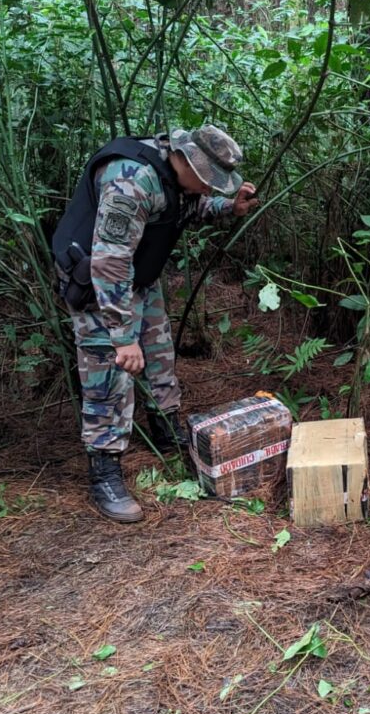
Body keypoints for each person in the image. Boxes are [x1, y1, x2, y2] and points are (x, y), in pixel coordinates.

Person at [52, 126, 259, 523]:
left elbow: (185, 207)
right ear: (185, 159)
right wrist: (121, 336)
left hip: (139, 279)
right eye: (207, 182)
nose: (208, 189)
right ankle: (105, 469)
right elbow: (109, 262)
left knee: (160, 357)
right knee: (109, 374)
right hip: (100, 287)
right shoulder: (130, 179)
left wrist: (229, 209)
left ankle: (165, 430)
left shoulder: (174, 175)